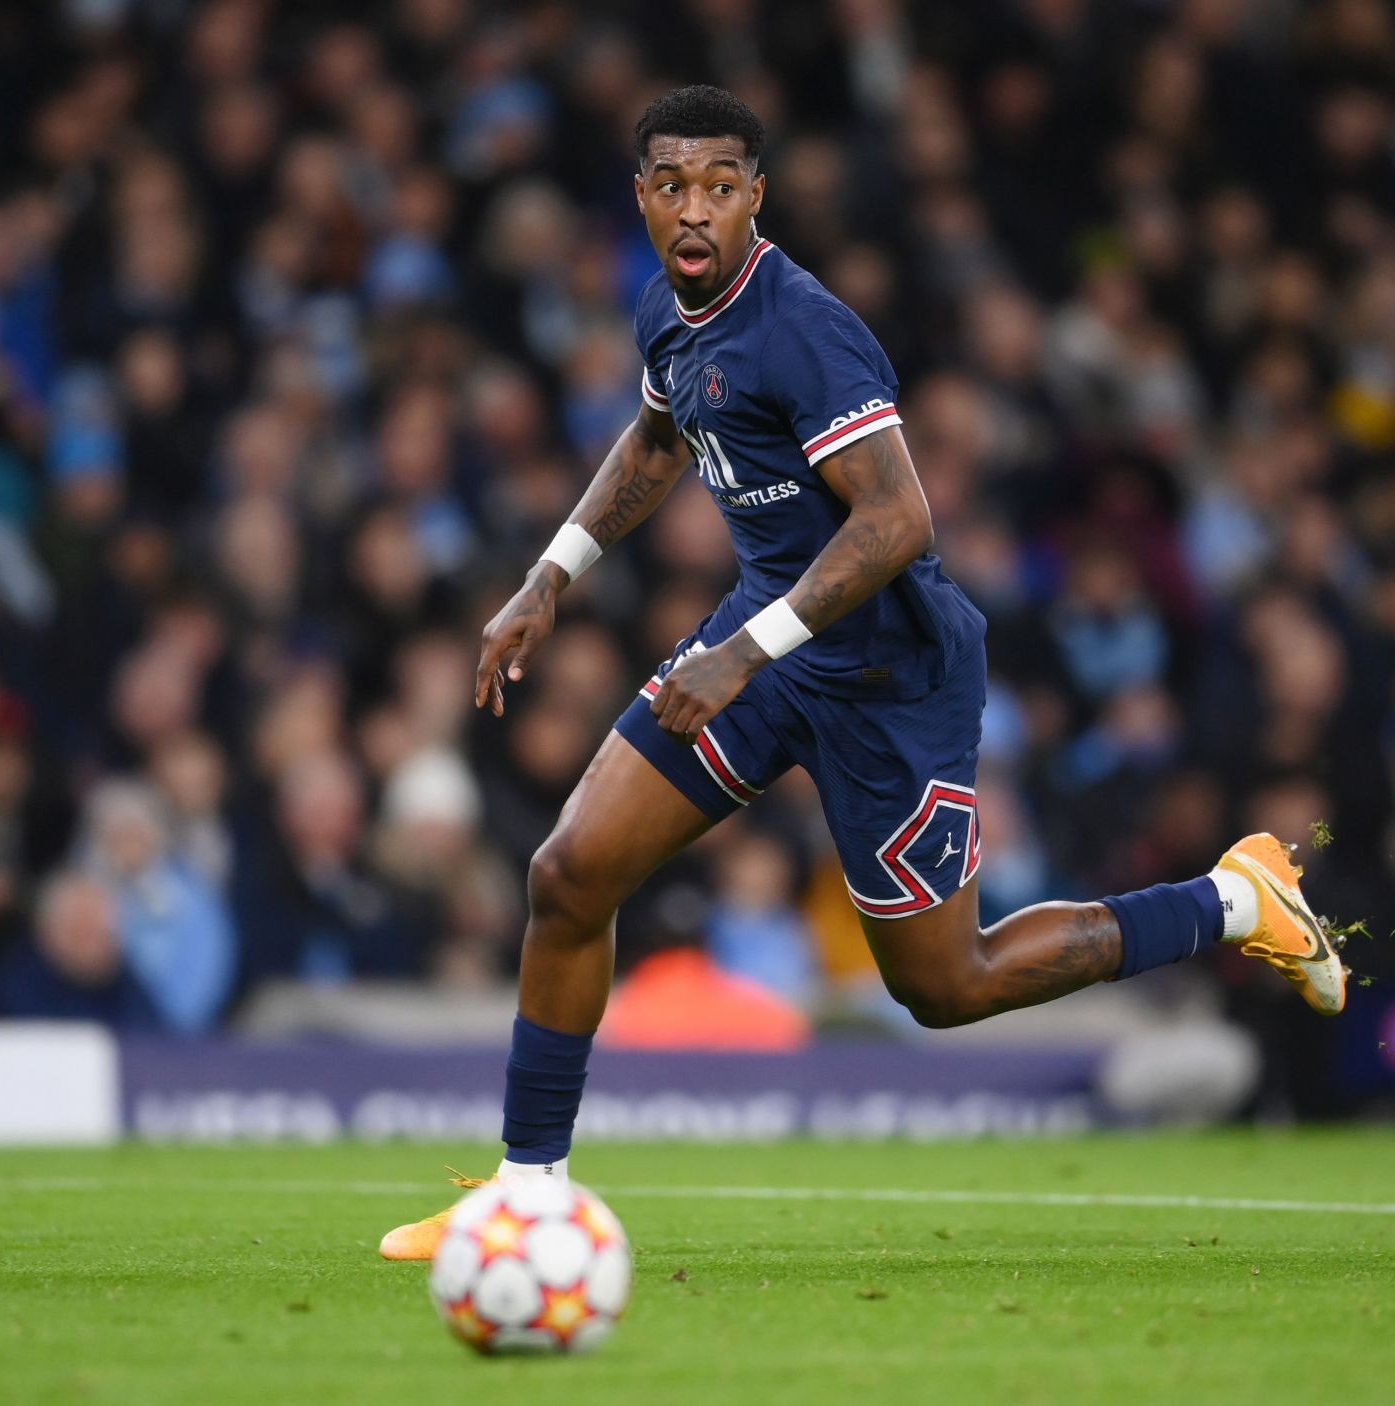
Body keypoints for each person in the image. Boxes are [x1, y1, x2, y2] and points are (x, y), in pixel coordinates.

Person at [379, 87, 1344, 1260]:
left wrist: (743, 651)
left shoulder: (807, 329)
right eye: (671, 184)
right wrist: (550, 575)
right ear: (640, 196)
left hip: (891, 676)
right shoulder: (665, 313)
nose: (695, 209)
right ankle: (527, 1195)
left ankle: (1238, 899)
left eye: (720, 184)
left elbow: (898, 520)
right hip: (773, 641)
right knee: (570, 873)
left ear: (756, 196)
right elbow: (655, 438)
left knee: (947, 984)